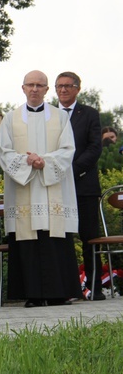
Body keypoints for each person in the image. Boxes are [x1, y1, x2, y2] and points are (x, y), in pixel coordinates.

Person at [0, 70, 82, 307]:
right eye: (30, 84)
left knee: (54, 236)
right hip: (24, 188)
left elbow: (68, 149)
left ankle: (58, 293)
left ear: (46, 90)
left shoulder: (60, 117)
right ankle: (32, 295)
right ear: (22, 88)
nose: (34, 89)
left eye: (39, 85)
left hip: (52, 188)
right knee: (27, 238)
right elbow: (2, 151)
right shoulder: (10, 119)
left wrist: (44, 162)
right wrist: (27, 162)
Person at [55, 71, 104, 299]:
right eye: (59, 86)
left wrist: (72, 170)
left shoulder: (90, 114)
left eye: (67, 86)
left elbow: (95, 148)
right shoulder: (48, 114)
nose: (63, 90)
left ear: (77, 89)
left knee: (89, 238)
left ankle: (95, 288)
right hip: (55, 186)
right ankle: (65, 288)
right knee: (61, 239)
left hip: (83, 185)